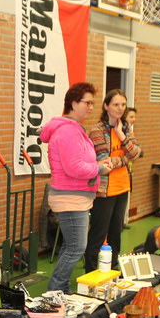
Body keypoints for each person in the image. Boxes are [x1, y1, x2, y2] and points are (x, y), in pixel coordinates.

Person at [41, 82, 114, 293]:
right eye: (87, 103)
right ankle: (55, 291)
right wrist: (99, 168)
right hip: (70, 199)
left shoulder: (74, 130)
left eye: (92, 103)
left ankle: (62, 290)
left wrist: (97, 164)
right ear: (73, 103)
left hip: (75, 197)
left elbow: (78, 163)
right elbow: (73, 168)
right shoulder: (68, 131)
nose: (91, 107)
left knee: (70, 246)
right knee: (76, 248)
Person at [85, 89, 142, 271]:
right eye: (116, 104)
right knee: (98, 234)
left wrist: (122, 135)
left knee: (116, 234)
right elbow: (104, 162)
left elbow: (136, 153)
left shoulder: (125, 127)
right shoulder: (96, 130)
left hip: (122, 187)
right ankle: (90, 271)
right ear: (106, 106)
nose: (120, 108)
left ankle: (113, 270)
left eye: (123, 104)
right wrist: (126, 158)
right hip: (103, 190)